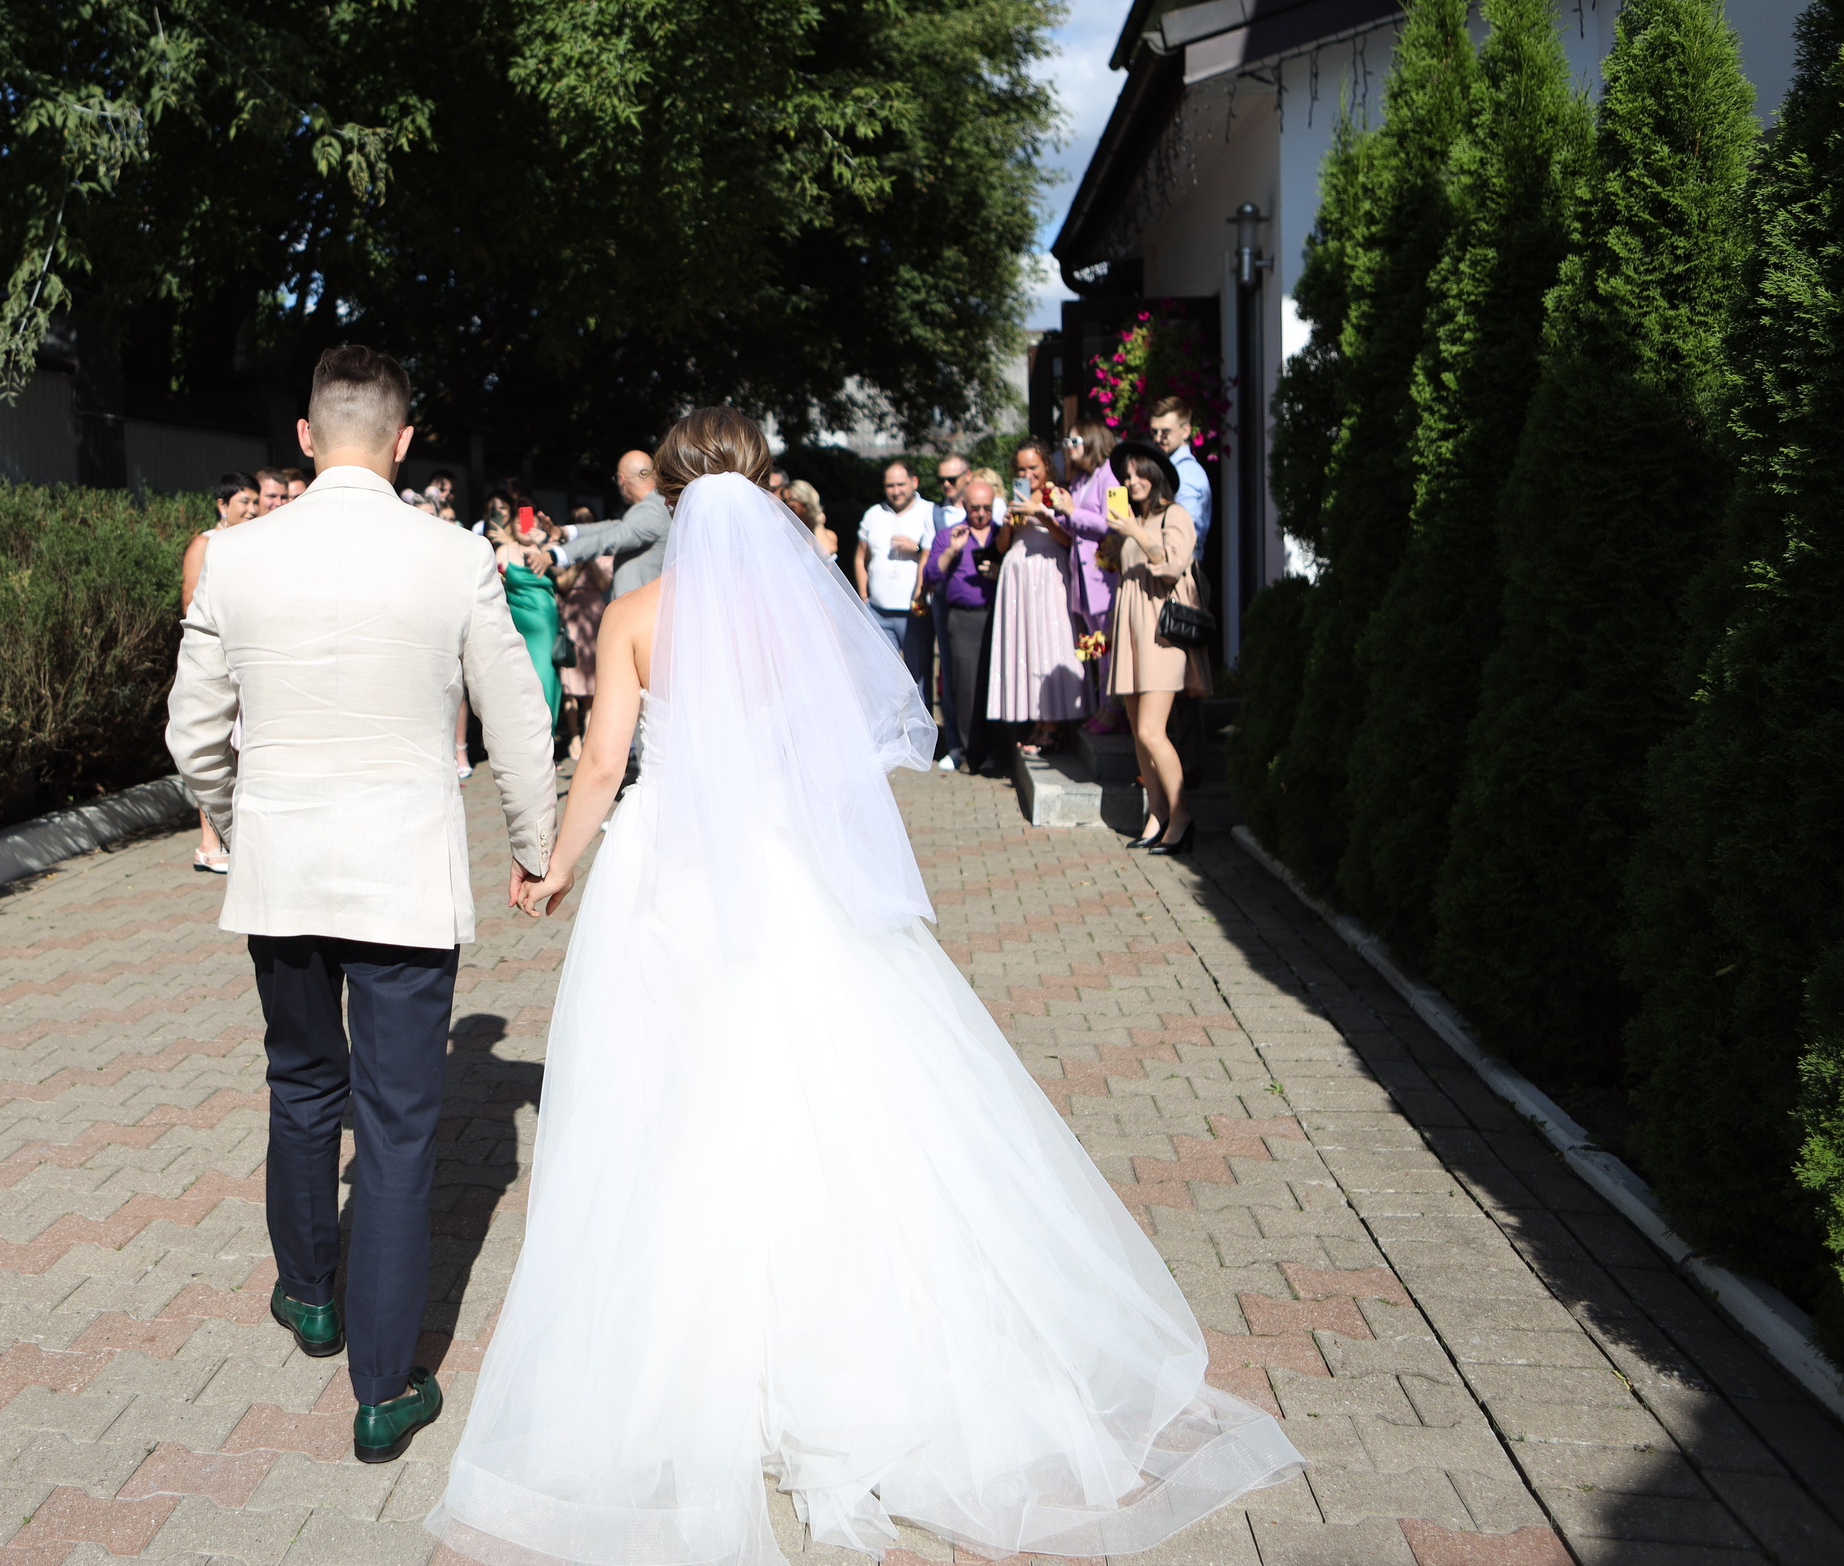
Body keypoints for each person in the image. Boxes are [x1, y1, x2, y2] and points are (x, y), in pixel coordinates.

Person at [429, 409, 1300, 1565]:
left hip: (671, 874)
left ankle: (701, 1367)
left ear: (679, 501)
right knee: (818, 1085)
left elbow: (600, 763)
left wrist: (552, 866)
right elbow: (834, 756)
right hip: (787, 869)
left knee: (675, 1097)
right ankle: (845, 1349)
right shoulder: (795, 620)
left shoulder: (641, 617)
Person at [165, 345, 556, 1466]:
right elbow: (516, 716)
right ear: (403, 439)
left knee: (299, 1086)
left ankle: (309, 1296)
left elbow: (192, 731)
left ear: (303, 436)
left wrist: (236, 822)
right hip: (401, 877)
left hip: (283, 870)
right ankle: (383, 1391)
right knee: (396, 1130)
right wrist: (532, 844)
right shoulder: (454, 555)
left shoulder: (235, 558)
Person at [1106, 440, 1210, 856]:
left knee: (1153, 731)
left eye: (1136, 473)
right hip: (1133, 632)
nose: (1130, 481)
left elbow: (1172, 564)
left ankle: (1182, 816)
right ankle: (1158, 813)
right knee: (1138, 733)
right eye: (1125, 476)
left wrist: (1134, 532)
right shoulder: (1133, 518)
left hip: (1163, 635)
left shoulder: (1176, 514)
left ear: (1154, 473)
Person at [178, 472, 261, 875]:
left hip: (247, 658)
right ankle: (211, 842)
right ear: (222, 504)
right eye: (243, 501)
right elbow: (191, 601)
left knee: (241, 748)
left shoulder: (253, 541)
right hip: (217, 659)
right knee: (215, 744)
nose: (251, 508)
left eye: (254, 501)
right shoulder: (206, 544)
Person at [987, 441, 1086, 756]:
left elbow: (1069, 539)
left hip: (1048, 572)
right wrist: (1007, 526)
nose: (1028, 474)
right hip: (1018, 575)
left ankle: (1055, 723)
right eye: (1022, 469)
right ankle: (1038, 720)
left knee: (1050, 640)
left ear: (1047, 467)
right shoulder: (1014, 497)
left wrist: (1040, 514)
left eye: (1034, 468)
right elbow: (1002, 547)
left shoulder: (1055, 495)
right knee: (1026, 644)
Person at [921, 478, 1003, 774]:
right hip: (963, 617)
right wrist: (951, 551)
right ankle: (972, 753)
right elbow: (931, 575)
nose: (981, 513)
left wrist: (999, 572)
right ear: (965, 506)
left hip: (997, 615)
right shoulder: (951, 534)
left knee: (993, 684)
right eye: (975, 508)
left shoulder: (1002, 535)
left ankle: (993, 747)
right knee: (966, 686)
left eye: (987, 508)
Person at [1058, 420, 1125, 731]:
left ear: (1093, 442)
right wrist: (1056, 513)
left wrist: (1072, 511)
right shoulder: (1081, 478)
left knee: (1108, 644)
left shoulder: (1109, 474)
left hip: (1104, 576)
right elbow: (1076, 524)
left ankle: (1114, 711)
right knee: (1096, 646)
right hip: (1084, 578)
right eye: (1067, 442)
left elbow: (1113, 523)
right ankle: (1103, 708)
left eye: (1075, 442)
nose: (1068, 448)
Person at [534, 450, 667, 600]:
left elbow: (612, 538)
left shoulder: (652, 509)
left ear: (622, 479)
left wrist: (556, 554)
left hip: (642, 610)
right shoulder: (655, 506)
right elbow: (616, 527)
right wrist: (564, 532)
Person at [485, 492, 565, 729]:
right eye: (519, 520)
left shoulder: (550, 549)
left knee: (545, 678)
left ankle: (547, 738)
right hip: (516, 625)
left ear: (538, 523)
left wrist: (544, 546)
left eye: (528, 520)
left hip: (545, 625)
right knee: (520, 683)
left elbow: (565, 578)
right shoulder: (505, 551)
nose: (523, 525)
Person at [852, 459, 935, 681]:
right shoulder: (873, 514)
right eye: (890, 486)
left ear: (914, 482)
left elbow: (936, 559)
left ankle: (920, 717)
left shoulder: (930, 512)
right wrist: (863, 596)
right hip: (878, 610)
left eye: (901, 484)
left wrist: (916, 549)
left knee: (918, 678)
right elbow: (861, 557)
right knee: (882, 679)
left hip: (914, 612)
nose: (896, 491)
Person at [555, 508, 613, 761]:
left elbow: (603, 584)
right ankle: (574, 734)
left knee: (591, 681)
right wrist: (579, 557)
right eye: (579, 520)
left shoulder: (605, 552)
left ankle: (589, 734)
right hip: (572, 616)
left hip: (595, 617)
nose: (584, 523)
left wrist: (591, 555)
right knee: (570, 681)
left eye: (588, 520)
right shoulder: (564, 553)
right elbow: (563, 584)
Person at [1146, 396, 1210, 555]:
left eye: (1165, 432)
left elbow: (1187, 533)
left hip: (1179, 568)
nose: (1158, 438)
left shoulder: (1185, 473)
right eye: (1154, 432)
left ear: (1186, 431)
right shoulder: (1171, 468)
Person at [782, 477, 838, 560]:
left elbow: (826, 553)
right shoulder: (786, 531)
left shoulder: (829, 535)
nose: (787, 505)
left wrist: (817, 524)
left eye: (791, 499)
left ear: (805, 502)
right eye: (784, 501)